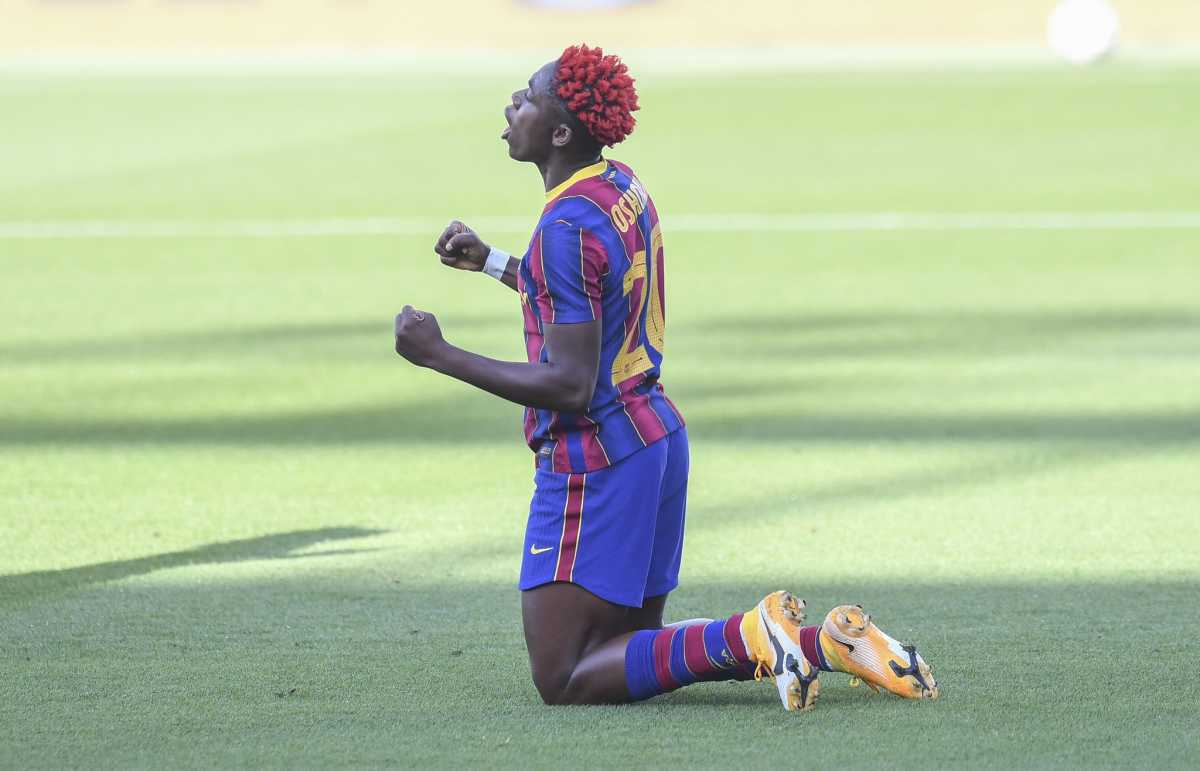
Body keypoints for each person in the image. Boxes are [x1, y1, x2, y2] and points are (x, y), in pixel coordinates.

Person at [393, 44, 938, 709]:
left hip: (594, 460)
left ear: (560, 131)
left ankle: (754, 631)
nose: (513, 104)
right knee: (625, 652)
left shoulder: (563, 226)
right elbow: (592, 297)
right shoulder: (619, 185)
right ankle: (823, 643)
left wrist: (439, 353)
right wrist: (495, 262)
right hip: (654, 439)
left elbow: (568, 382)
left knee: (565, 675)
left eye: (528, 96)